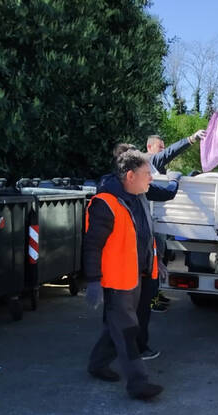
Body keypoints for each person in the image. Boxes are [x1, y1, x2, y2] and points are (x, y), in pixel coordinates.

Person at [84, 149, 163, 400]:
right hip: (115, 281)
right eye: (146, 173)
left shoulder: (135, 199)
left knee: (117, 327)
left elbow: (143, 237)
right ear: (130, 175)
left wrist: (153, 266)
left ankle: (97, 363)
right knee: (128, 330)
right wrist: (94, 281)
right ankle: (138, 383)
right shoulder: (105, 204)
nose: (150, 178)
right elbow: (92, 245)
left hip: (135, 277)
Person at [137, 130, 204, 362]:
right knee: (153, 262)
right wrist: (191, 139)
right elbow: (171, 157)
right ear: (150, 147)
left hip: (154, 224)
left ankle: (155, 294)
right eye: (160, 146)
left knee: (158, 259)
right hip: (151, 227)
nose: (163, 150)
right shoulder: (150, 162)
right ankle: (152, 297)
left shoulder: (146, 170)